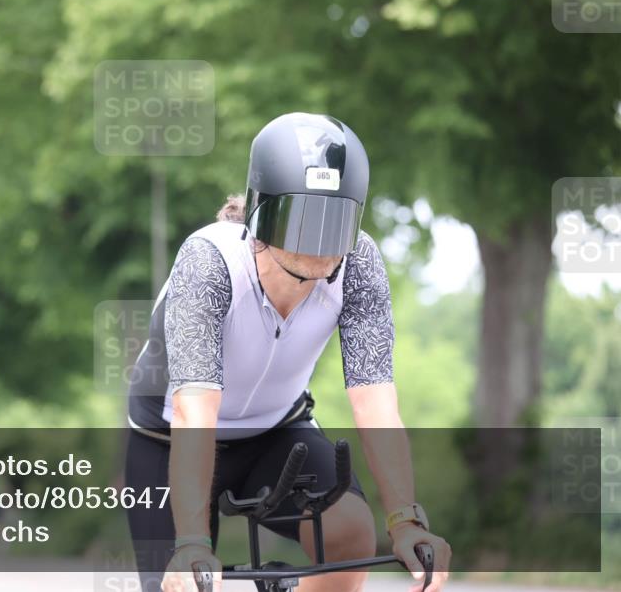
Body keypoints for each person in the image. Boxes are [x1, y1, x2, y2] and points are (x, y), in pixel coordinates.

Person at [125, 113, 451, 592]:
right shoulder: (208, 262)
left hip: (276, 431)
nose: (320, 242)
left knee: (352, 532)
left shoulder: (359, 263)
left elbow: (376, 400)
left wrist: (406, 521)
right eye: (303, 219)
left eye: (335, 220)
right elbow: (195, 412)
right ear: (263, 212)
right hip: (168, 437)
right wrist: (193, 541)